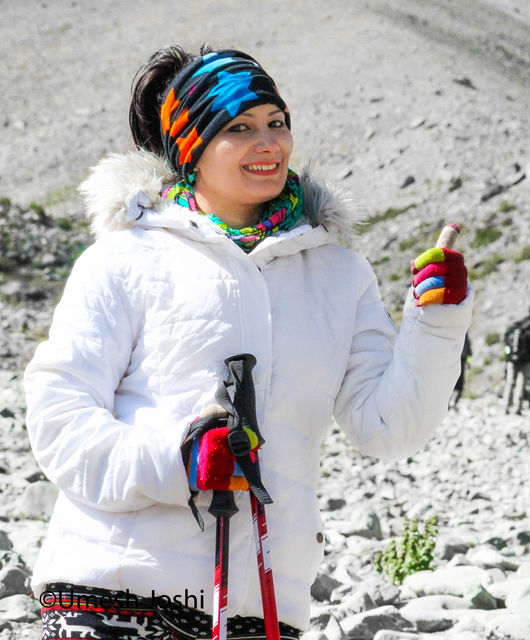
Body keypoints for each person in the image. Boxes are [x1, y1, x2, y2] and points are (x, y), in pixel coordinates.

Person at [23, 46, 471, 640]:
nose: (270, 144)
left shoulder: (339, 273)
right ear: (191, 147)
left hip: (259, 607)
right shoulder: (125, 258)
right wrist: (178, 461)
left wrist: (436, 324)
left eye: (277, 123)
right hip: (110, 593)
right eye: (239, 128)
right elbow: (60, 418)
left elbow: (388, 428)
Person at [502, 303, 530, 414]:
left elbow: (506, 340)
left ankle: (505, 406)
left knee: (510, 382)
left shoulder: (516, 326)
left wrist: (508, 356)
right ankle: (517, 408)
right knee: (521, 383)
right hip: (526, 360)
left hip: (511, 359)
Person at [450, 333, 471, 409]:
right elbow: (468, 350)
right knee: (458, 385)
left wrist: (468, 361)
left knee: (456, 384)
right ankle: (452, 402)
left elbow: (468, 350)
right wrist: (468, 361)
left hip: (457, 360)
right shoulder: (463, 331)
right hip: (459, 360)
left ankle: (452, 402)